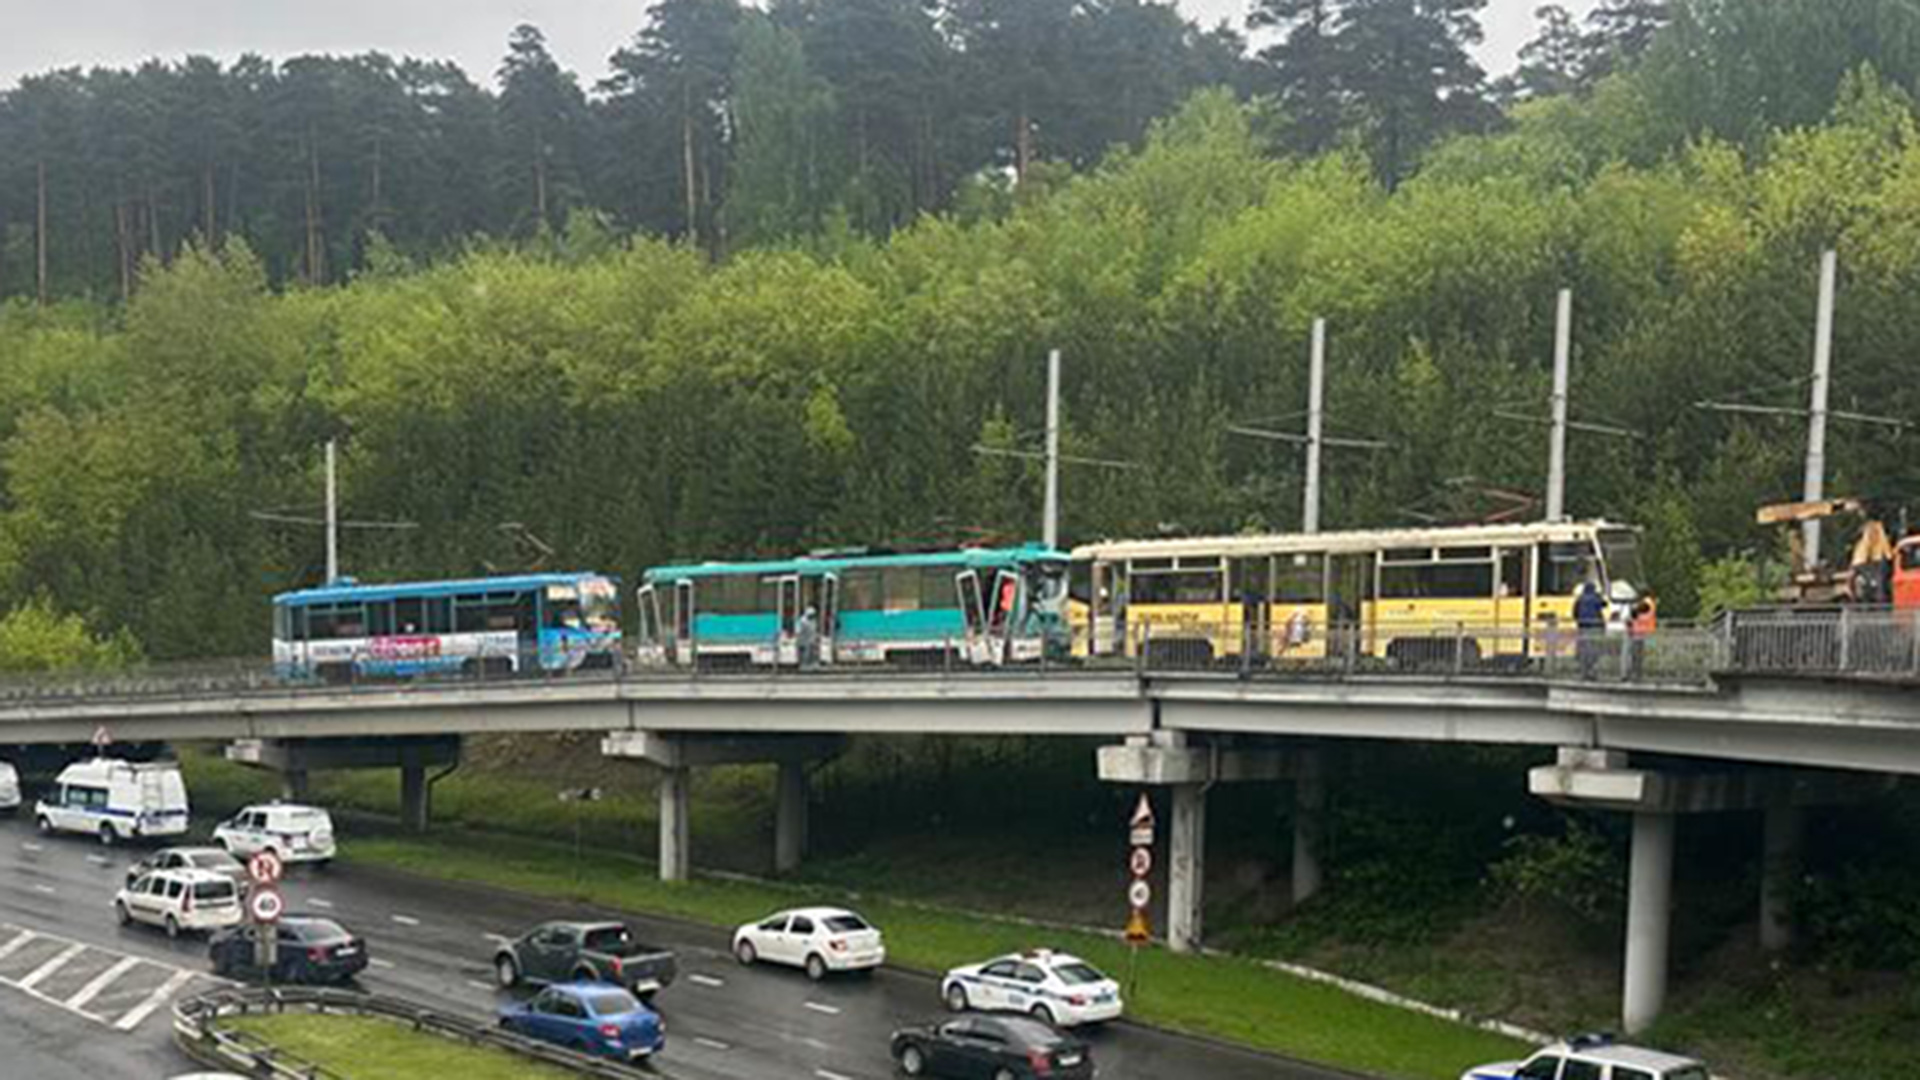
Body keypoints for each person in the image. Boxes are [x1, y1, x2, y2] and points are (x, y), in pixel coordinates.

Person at [1574, 579, 1606, 679]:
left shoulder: (1580, 599)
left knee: (1583, 649)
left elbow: (1575, 612)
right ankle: (1592, 671)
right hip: (1595, 626)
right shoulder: (1596, 598)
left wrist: (1579, 621)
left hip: (1583, 627)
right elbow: (1604, 604)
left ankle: (1584, 672)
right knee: (1594, 649)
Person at [796, 605, 820, 670]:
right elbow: (798, 631)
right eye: (811, 615)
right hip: (804, 640)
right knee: (805, 653)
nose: (813, 616)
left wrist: (816, 636)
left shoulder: (813, 620)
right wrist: (800, 638)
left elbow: (814, 629)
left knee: (813, 653)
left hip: (811, 639)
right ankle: (804, 665)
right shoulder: (802, 621)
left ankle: (813, 665)